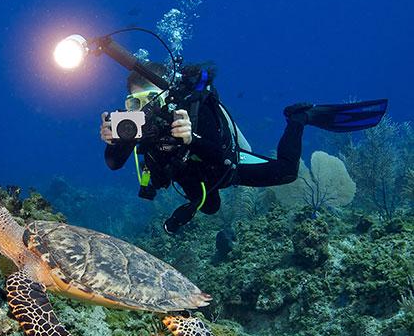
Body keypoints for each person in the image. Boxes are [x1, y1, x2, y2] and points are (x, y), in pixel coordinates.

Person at [100, 61, 387, 234]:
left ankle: (299, 118)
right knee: (211, 208)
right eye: (133, 103)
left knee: (287, 173)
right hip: (189, 177)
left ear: (166, 95)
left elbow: (223, 157)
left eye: (149, 98)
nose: (143, 109)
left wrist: (191, 139)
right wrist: (115, 141)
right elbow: (113, 164)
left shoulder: (191, 113)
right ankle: (202, 199)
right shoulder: (135, 125)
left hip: (224, 165)